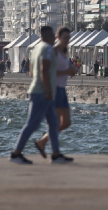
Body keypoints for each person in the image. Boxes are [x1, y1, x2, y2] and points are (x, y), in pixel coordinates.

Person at [10, 26, 72, 165]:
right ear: (52, 37)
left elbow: (32, 71)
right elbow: (44, 70)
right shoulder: (48, 49)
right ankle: (16, 153)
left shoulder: (36, 48)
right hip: (43, 93)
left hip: (41, 90)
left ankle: (56, 155)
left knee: (54, 123)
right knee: (32, 125)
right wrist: (49, 91)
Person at [35, 27, 79, 158]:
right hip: (55, 89)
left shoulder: (64, 52)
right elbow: (49, 72)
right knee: (55, 122)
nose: (67, 41)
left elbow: (63, 68)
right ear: (58, 37)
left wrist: (72, 70)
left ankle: (43, 141)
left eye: (69, 38)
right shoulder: (53, 52)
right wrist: (67, 71)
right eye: (65, 38)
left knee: (66, 122)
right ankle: (54, 152)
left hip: (62, 89)